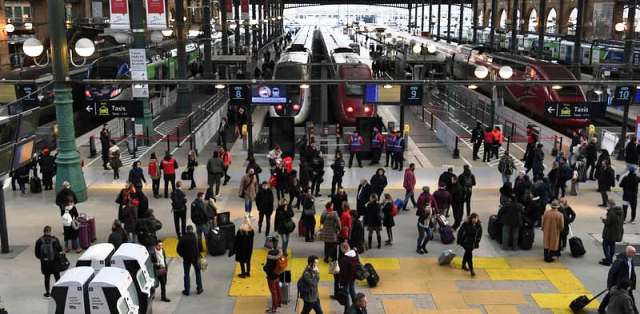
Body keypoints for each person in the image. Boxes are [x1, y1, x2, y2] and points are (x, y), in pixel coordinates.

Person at [598, 246, 637, 313]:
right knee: (611, 295)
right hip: (619, 284)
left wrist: (632, 283)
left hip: (627, 283)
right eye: (633, 252)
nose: (635, 254)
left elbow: (632, 272)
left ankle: (601, 309)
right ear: (628, 252)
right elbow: (612, 273)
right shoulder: (620, 261)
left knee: (630, 298)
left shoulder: (631, 260)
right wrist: (610, 286)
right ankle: (601, 309)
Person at [35, 225, 63, 297]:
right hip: (55, 262)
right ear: (50, 231)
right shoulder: (55, 239)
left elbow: (37, 254)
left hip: (45, 263)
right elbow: (60, 249)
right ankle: (59, 291)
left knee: (47, 278)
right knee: (57, 276)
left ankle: (47, 292)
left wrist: (43, 258)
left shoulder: (39, 241)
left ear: (44, 232)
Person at [177, 225, 203, 296]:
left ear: (186, 230)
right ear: (192, 230)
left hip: (186, 259)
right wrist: (199, 256)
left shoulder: (182, 238)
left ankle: (187, 290)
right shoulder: (195, 237)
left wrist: (183, 255)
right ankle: (199, 288)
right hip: (195, 258)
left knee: (186, 274)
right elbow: (198, 248)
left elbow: (178, 250)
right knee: (197, 272)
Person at [600, 201, 624, 266]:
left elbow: (608, 223)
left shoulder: (611, 213)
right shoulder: (621, 211)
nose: (607, 206)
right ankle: (610, 259)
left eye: (607, 205)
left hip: (609, 233)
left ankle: (608, 260)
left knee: (605, 245)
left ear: (610, 205)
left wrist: (603, 219)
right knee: (612, 245)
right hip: (616, 232)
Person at [338, 243, 361, 313]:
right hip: (353, 277)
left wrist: (341, 282)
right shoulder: (355, 254)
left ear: (343, 249)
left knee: (346, 295)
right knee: (353, 292)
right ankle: (357, 307)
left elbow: (343, 273)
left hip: (347, 279)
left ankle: (347, 311)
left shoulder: (344, 259)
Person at [263, 239, 283, 313]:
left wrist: (264, 268)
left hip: (271, 276)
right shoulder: (278, 252)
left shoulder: (270, 254)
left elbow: (269, 267)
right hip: (277, 274)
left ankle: (274, 308)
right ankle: (279, 303)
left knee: (273, 292)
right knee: (278, 289)